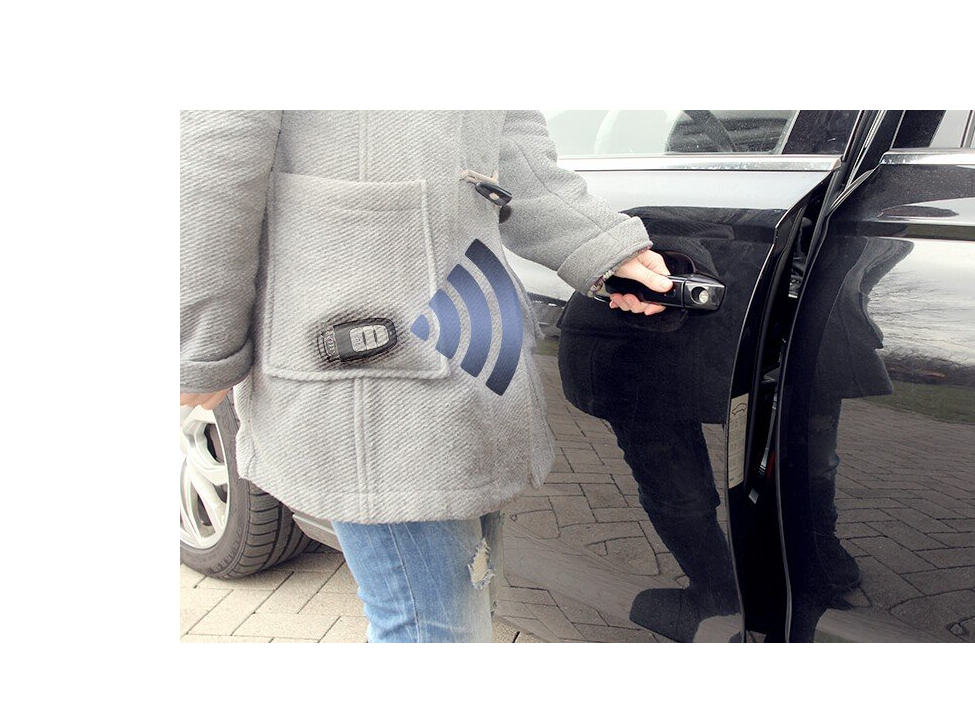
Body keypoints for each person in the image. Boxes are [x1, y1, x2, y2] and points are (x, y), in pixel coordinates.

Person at [180, 110, 672, 642]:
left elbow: (515, 151)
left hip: (473, 332)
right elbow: (211, 167)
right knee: (433, 629)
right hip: (368, 342)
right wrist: (201, 343)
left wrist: (605, 246)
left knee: (466, 606)